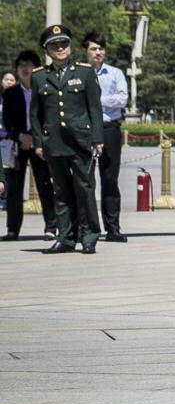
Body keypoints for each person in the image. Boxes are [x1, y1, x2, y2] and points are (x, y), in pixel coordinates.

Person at [31, 25, 103, 254]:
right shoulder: (39, 76)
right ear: (47, 50)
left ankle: (89, 235)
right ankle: (65, 237)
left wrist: (97, 138)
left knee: (85, 188)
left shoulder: (84, 72)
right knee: (60, 191)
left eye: (63, 44)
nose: (60, 48)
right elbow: (35, 113)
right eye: (54, 45)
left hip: (80, 140)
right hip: (54, 141)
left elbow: (94, 108)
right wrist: (38, 142)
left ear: (70, 46)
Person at [5, 52, 59, 242]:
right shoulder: (10, 93)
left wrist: (38, 139)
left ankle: (51, 227)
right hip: (18, 145)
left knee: (45, 185)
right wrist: (20, 136)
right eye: (21, 65)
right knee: (14, 188)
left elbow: (50, 118)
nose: (25, 69)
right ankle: (12, 229)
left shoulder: (44, 90)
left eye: (29, 65)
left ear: (37, 68)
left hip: (40, 145)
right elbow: (7, 121)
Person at [84, 35, 129, 242]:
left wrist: (95, 100)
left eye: (101, 48)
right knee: (84, 180)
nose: (98, 52)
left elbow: (122, 99)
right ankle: (84, 227)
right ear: (86, 51)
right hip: (85, 130)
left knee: (110, 179)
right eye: (94, 49)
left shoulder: (115, 73)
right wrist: (105, 102)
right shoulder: (79, 73)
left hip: (109, 128)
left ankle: (113, 228)